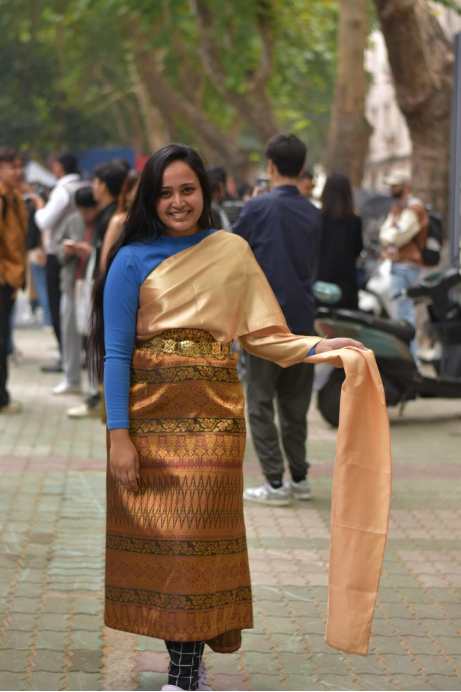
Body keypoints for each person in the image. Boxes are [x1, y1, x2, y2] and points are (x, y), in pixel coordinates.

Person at [88, 143, 365, 692]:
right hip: (147, 421)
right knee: (166, 545)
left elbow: (264, 336)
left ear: (206, 192)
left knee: (196, 540)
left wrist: (322, 349)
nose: (177, 202)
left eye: (187, 190)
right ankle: (187, 665)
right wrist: (119, 436)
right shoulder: (130, 257)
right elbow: (116, 353)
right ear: (150, 198)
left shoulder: (231, 251)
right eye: (165, 192)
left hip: (215, 421)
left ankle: (182, 675)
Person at [233, 134, 321, 506]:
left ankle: (274, 483)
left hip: (264, 323)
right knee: (295, 404)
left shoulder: (258, 207)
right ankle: (299, 477)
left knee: (259, 402)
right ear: (301, 169)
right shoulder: (313, 213)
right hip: (303, 320)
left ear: (270, 166)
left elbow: (232, 252)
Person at [67, 161, 127, 419]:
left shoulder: (112, 218)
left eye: (95, 181)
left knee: (98, 346)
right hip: (106, 289)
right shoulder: (109, 214)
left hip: (104, 289)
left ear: (102, 186)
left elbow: (107, 261)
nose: (93, 186)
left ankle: (96, 400)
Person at [32, 151, 84, 372]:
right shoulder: (82, 186)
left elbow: (44, 221)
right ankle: (77, 355)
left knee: (58, 308)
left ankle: (67, 358)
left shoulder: (62, 190)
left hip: (59, 253)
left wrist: (38, 205)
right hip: (79, 249)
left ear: (59, 167)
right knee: (75, 306)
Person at [53, 187, 99, 395]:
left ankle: (94, 386)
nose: (84, 214)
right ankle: (71, 379)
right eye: (81, 209)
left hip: (93, 288)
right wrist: (67, 251)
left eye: (88, 209)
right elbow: (56, 246)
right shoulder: (72, 221)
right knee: (69, 334)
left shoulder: (103, 222)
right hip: (71, 285)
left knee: (93, 337)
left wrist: (90, 252)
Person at [379, 169, 428, 360]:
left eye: (395, 185)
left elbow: (396, 237)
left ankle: (410, 361)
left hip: (407, 267)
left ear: (406, 186)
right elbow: (385, 233)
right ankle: (408, 359)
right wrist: (388, 235)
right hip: (400, 266)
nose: (391, 189)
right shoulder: (399, 208)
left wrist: (389, 236)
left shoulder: (413, 208)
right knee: (402, 316)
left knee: (404, 318)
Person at [0, 148, 27, 414]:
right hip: (4, 276)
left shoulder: (15, 197)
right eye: (12, 167)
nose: (18, 172)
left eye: (20, 166)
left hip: (11, 276)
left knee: (3, 338)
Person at [316, 173, 363, 310]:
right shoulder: (354, 221)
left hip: (320, 282)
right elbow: (358, 249)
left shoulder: (318, 219)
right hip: (346, 284)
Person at [100, 169, 140, 270]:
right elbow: (105, 263)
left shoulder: (152, 221)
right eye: (139, 190)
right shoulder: (119, 221)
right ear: (127, 193)